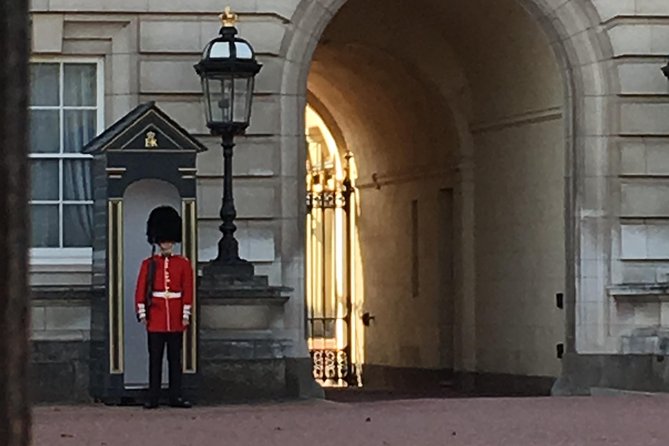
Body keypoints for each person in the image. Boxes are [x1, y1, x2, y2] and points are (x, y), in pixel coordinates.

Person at [134, 206, 193, 409]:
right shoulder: (148, 264)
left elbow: (187, 290)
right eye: (163, 240)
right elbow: (141, 289)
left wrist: (185, 315)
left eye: (168, 240)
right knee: (155, 360)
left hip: (175, 317)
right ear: (157, 241)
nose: (166, 244)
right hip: (156, 318)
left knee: (175, 361)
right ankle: (153, 396)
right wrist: (143, 313)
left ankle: (176, 396)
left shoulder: (183, 264)